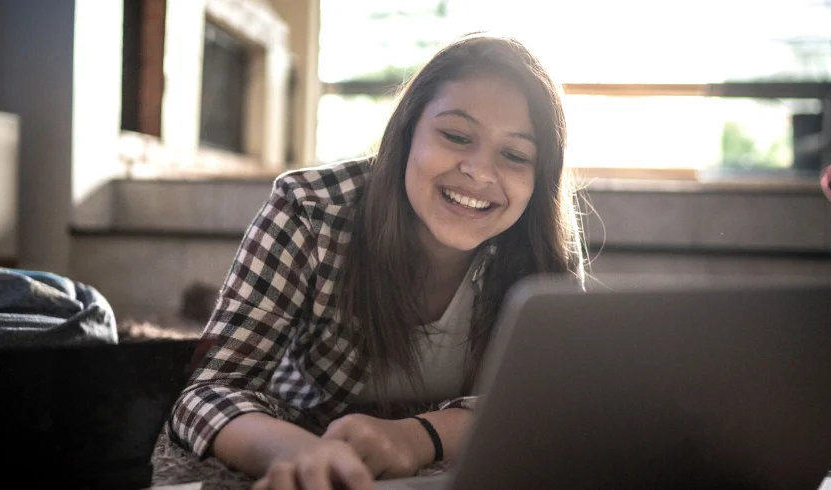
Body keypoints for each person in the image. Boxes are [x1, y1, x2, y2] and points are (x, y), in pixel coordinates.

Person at [168, 33, 586, 490]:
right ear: (407, 132)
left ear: (538, 176)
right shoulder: (309, 209)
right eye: (457, 136)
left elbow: (554, 398)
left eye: (514, 155)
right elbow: (202, 392)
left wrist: (419, 437)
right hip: (310, 421)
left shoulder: (542, 240)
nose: (481, 172)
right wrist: (307, 455)